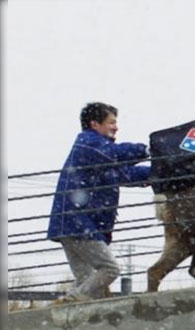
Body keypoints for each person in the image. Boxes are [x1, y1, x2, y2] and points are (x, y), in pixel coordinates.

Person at [47, 102, 151, 302]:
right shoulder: (89, 144)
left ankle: (64, 310)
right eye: (111, 122)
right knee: (110, 269)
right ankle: (70, 300)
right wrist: (149, 149)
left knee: (87, 281)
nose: (116, 127)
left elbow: (127, 174)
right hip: (78, 223)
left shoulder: (100, 155)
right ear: (95, 124)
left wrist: (161, 171)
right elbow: (117, 154)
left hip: (70, 224)